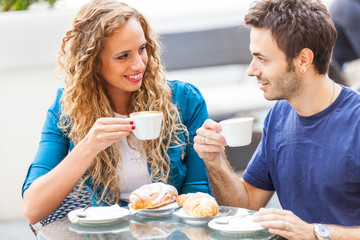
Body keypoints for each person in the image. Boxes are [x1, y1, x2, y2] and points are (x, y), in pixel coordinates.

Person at [22, 0, 211, 225]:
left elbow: (197, 191)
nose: (139, 65)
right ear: (92, 63)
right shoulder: (67, 110)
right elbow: (33, 208)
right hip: (108, 228)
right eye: (123, 56)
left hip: (170, 226)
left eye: (142, 49)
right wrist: (89, 145)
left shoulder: (184, 100)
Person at [194, 0, 360, 239]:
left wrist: (315, 233)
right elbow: (247, 204)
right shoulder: (278, 116)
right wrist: (214, 161)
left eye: (262, 59)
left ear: (303, 60)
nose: (251, 70)